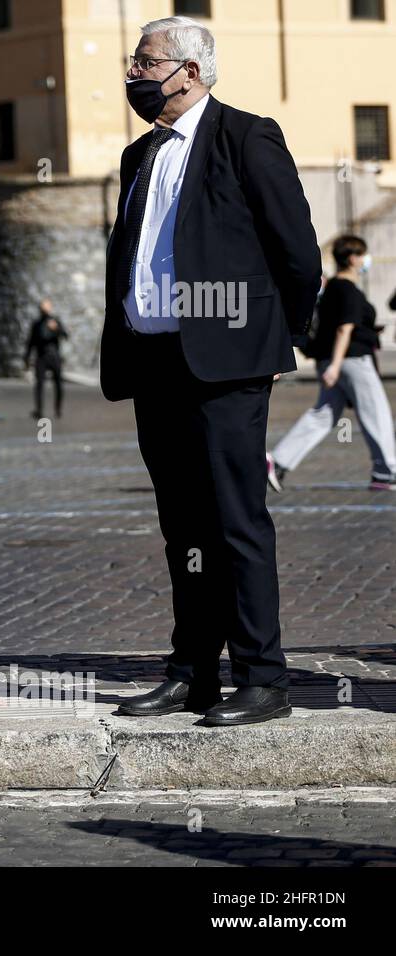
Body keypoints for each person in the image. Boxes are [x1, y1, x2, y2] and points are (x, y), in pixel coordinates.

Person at [99, 17, 321, 725]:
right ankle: (191, 670)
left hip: (227, 362)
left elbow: (298, 252)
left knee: (236, 519)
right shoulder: (140, 156)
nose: (135, 73)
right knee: (183, 527)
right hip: (155, 358)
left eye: (147, 61)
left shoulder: (246, 137)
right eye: (134, 61)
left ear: (189, 72)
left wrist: (275, 342)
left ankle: (264, 678)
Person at [267, 236, 396, 491]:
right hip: (351, 361)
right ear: (352, 258)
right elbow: (344, 329)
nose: (365, 260)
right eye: (362, 255)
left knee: (323, 415)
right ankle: (386, 471)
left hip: (333, 360)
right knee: (376, 413)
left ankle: (277, 462)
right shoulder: (347, 289)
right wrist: (337, 365)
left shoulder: (333, 289)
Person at [24, 299, 69, 418]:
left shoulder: (55, 321)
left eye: (46, 307)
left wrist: (56, 328)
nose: (44, 310)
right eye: (42, 307)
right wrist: (27, 357)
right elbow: (31, 341)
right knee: (39, 384)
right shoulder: (37, 324)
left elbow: (65, 335)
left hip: (54, 356)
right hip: (41, 356)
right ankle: (39, 410)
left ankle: (58, 410)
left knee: (58, 384)